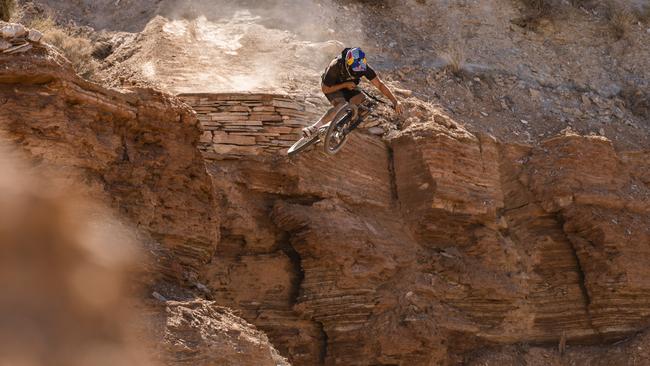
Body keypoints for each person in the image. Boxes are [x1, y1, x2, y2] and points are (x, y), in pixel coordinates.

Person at [302, 47, 403, 138]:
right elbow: (325, 89)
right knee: (341, 106)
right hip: (332, 87)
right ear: (348, 63)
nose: (358, 72)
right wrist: (345, 85)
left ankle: (336, 127)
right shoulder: (336, 65)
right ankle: (314, 128)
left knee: (364, 102)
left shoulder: (363, 66)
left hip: (349, 86)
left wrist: (395, 101)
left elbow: (380, 85)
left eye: (360, 70)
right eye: (355, 70)